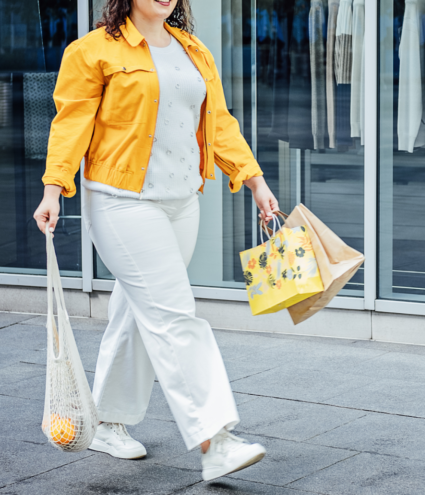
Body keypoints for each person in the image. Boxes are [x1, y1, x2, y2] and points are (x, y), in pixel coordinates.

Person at [33, 0, 276, 481]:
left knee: (137, 313)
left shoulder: (193, 50)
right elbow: (71, 123)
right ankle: (216, 439)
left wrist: (254, 179)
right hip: (123, 202)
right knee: (172, 315)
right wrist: (53, 187)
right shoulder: (93, 51)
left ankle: (106, 420)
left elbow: (219, 122)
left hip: (182, 202)